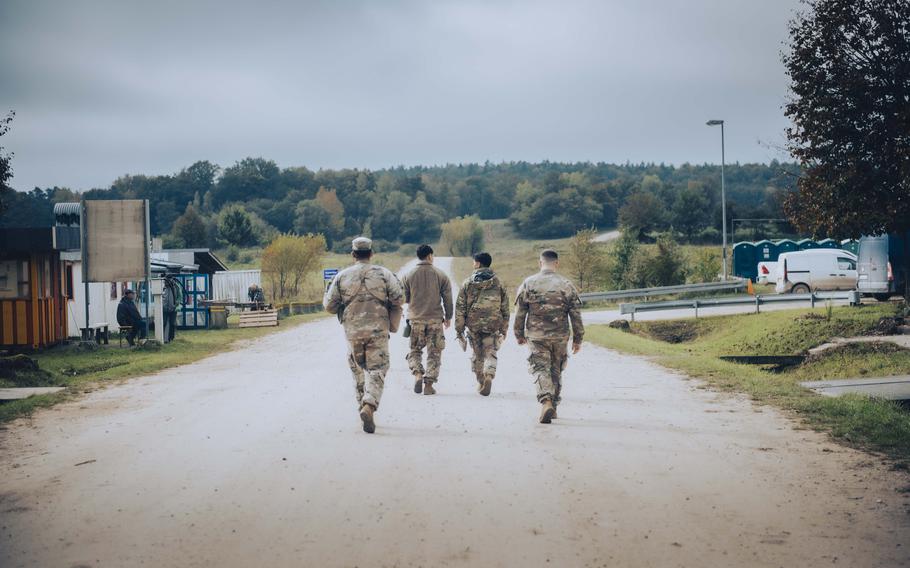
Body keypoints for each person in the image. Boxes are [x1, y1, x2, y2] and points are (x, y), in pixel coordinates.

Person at [323, 237, 404, 434]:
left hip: (353, 332)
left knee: (358, 370)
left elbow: (329, 306)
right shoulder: (383, 274)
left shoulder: (342, 277)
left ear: (353, 254)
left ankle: (362, 408)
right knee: (378, 368)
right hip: (378, 330)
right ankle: (369, 404)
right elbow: (399, 298)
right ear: (371, 253)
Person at [514, 249, 584, 424]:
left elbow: (520, 312)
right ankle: (553, 405)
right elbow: (576, 314)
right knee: (556, 370)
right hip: (560, 336)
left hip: (537, 336)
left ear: (540, 263)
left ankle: (546, 402)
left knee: (540, 368)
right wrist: (578, 339)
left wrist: (519, 333)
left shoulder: (528, 283)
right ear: (557, 263)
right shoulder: (566, 285)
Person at [400, 244, 453, 395]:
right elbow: (448, 299)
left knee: (415, 351)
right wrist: (448, 317)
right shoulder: (441, 275)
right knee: (434, 353)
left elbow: (404, 298)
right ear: (430, 256)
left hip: (415, 320)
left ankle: (417, 374)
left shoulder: (408, 275)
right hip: (435, 320)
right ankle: (429, 385)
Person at [455, 252, 509, 396]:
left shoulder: (468, 283)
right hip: (492, 324)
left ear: (478, 264)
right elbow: (505, 308)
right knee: (490, 351)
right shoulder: (499, 283)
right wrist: (504, 328)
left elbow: (460, 308)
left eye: (474, 262)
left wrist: (459, 329)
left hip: (473, 324)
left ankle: (480, 380)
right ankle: (489, 376)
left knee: (477, 354)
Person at [162, 276, 182, 343]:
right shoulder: (162, 287)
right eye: (166, 281)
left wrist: (176, 304)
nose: (167, 282)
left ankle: (171, 338)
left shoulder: (176, 287)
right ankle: (163, 338)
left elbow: (180, 296)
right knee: (163, 323)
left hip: (173, 308)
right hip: (164, 309)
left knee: (172, 323)